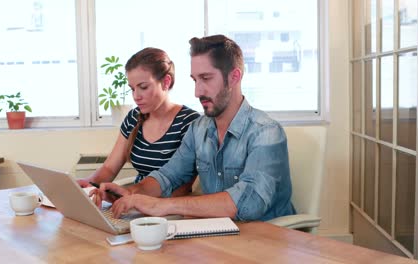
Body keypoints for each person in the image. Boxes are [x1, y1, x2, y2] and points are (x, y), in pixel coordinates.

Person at [94, 35, 295, 221]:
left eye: (206, 78)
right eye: (195, 80)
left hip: (264, 239)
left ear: (234, 77)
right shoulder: (198, 129)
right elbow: (167, 176)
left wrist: (161, 205)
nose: (198, 91)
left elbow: (249, 202)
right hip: (217, 235)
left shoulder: (266, 132)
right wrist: (131, 193)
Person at [78, 47, 200, 197]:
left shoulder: (190, 123)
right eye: (132, 89)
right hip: (135, 202)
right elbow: (109, 168)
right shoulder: (133, 117)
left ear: (166, 81)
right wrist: (87, 184)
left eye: (143, 87)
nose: (136, 96)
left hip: (169, 208)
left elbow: (183, 187)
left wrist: (133, 199)